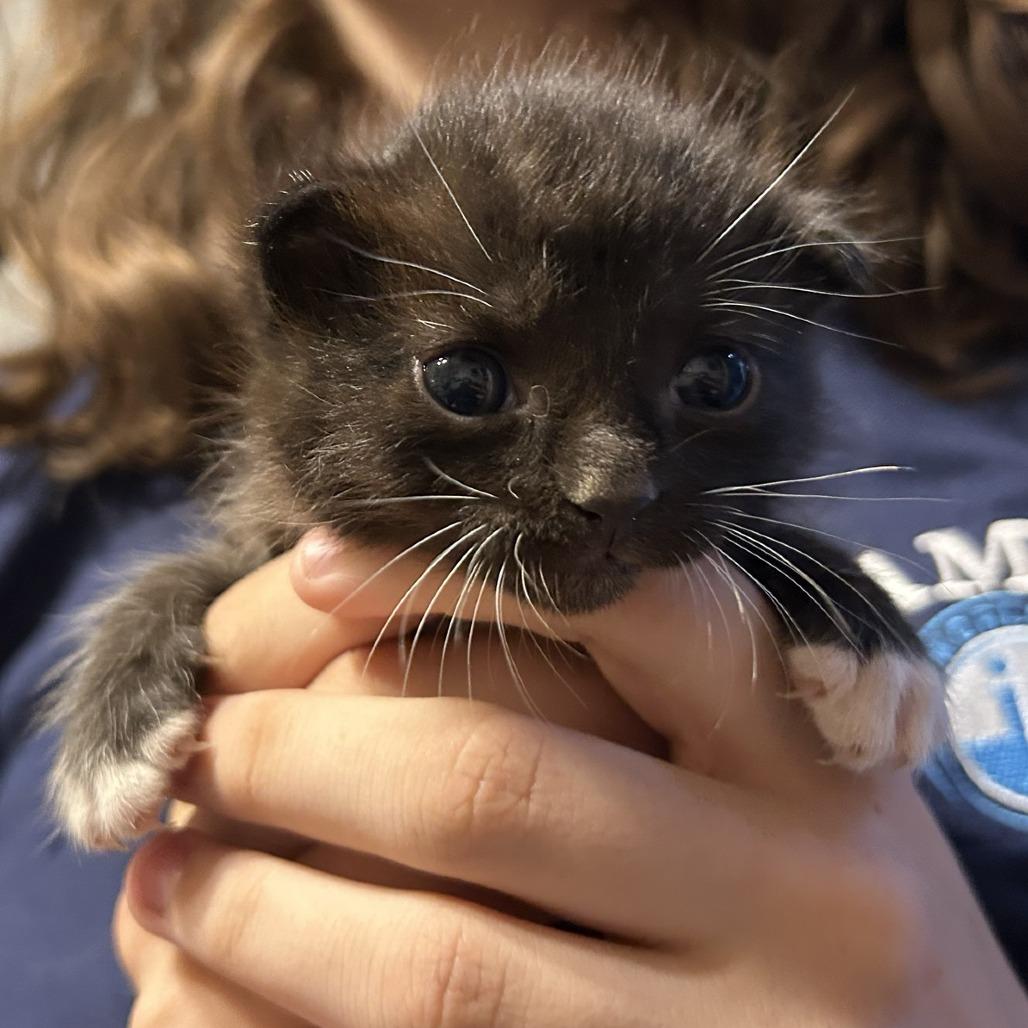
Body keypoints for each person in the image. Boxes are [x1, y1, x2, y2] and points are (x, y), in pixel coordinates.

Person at [1, 2, 1026, 1024]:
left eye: (711, 381)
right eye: (469, 382)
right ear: (309, 302)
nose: (610, 483)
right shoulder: (44, 478)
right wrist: (170, 626)